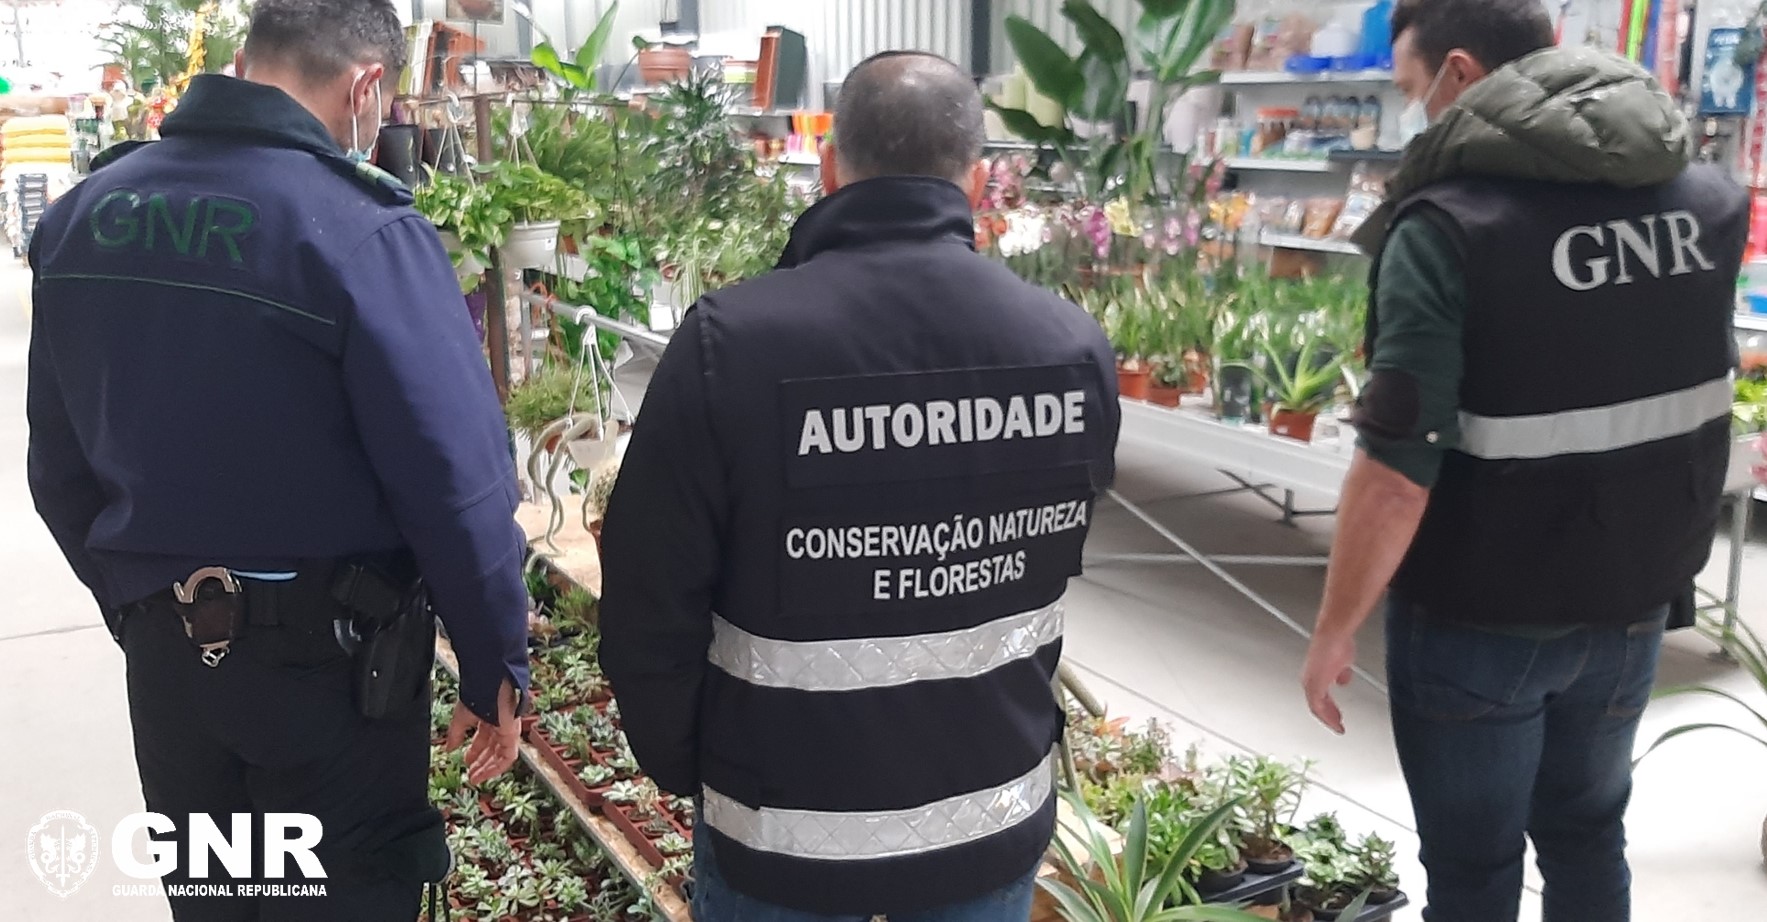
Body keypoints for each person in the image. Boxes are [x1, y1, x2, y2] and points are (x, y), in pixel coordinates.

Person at [25, 0, 530, 917]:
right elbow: (455, 486)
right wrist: (495, 659)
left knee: (217, 899)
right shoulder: (360, 232)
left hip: (171, 669)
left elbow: (57, 469)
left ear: (249, 59)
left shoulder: (85, 217)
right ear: (366, 86)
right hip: (329, 681)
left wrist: (139, 605)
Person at [598, 50, 1121, 922]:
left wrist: (694, 765)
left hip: (782, 833)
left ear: (830, 168)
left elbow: (648, 601)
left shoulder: (732, 346)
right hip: (987, 815)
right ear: (979, 176)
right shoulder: (1071, 348)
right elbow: (1042, 553)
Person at [1300, 2, 1746, 921]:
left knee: (1473, 868)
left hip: (1479, 612)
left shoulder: (1446, 227)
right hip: (1630, 595)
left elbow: (1392, 474)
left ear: (1458, 74)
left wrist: (1334, 626)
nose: (1412, 109)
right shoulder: (1705, 200)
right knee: (1588, 837)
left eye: (1410, 87)